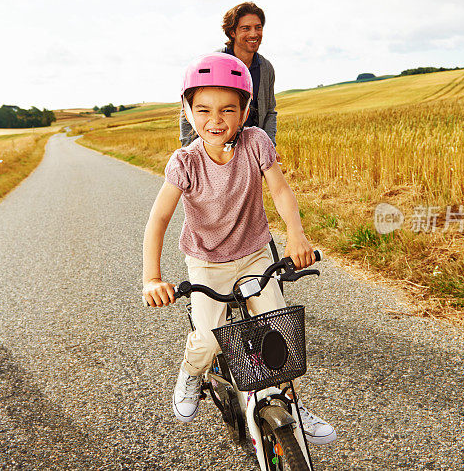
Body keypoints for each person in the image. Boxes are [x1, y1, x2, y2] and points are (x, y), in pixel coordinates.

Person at [143, 53, 336, 445]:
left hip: (253, 253)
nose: (216, 119)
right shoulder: (185, 162)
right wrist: (152, 278)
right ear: (187, 111)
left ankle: (290, 406)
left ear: (247, 109)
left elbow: (280, 189)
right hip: (206, 260)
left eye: (228, 109)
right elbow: (158, 220)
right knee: (210, 338)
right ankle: (191, 372)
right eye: (204, 109)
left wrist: (296, 235)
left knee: (276, 333)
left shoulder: (256, 143)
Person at [179, 1, 277, 148]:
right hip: (216, 146)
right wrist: (189, 151)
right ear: (232, 32)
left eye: (258, 27)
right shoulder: (212, 63)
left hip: (251, 149)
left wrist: (269, 147)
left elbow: (269, 112)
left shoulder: (266, 68)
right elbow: (190, 109)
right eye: (246, 28)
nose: (254, 33)